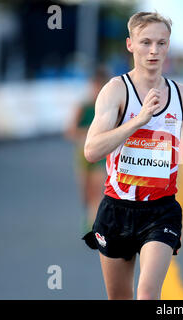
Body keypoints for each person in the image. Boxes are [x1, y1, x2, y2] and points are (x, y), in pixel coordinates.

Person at [82, 12, 183, 300]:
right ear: (130, 45)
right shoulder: (115, 90)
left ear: (168, 46)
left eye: (161, 43)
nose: (154, 51)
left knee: (148, 294)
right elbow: (91, 150)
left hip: (160, 209)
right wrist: (138, 120)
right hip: (117, 209)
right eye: (146, 42)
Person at [65, 68, 109, 233]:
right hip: (82, 153)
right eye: (95, 85)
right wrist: (88, 133)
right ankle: (90, 215)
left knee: (97, 190)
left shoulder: (109, 107)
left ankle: (94, 224)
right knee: (85, 192)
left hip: (101, 155)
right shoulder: (83, 107)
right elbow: (70, 131)